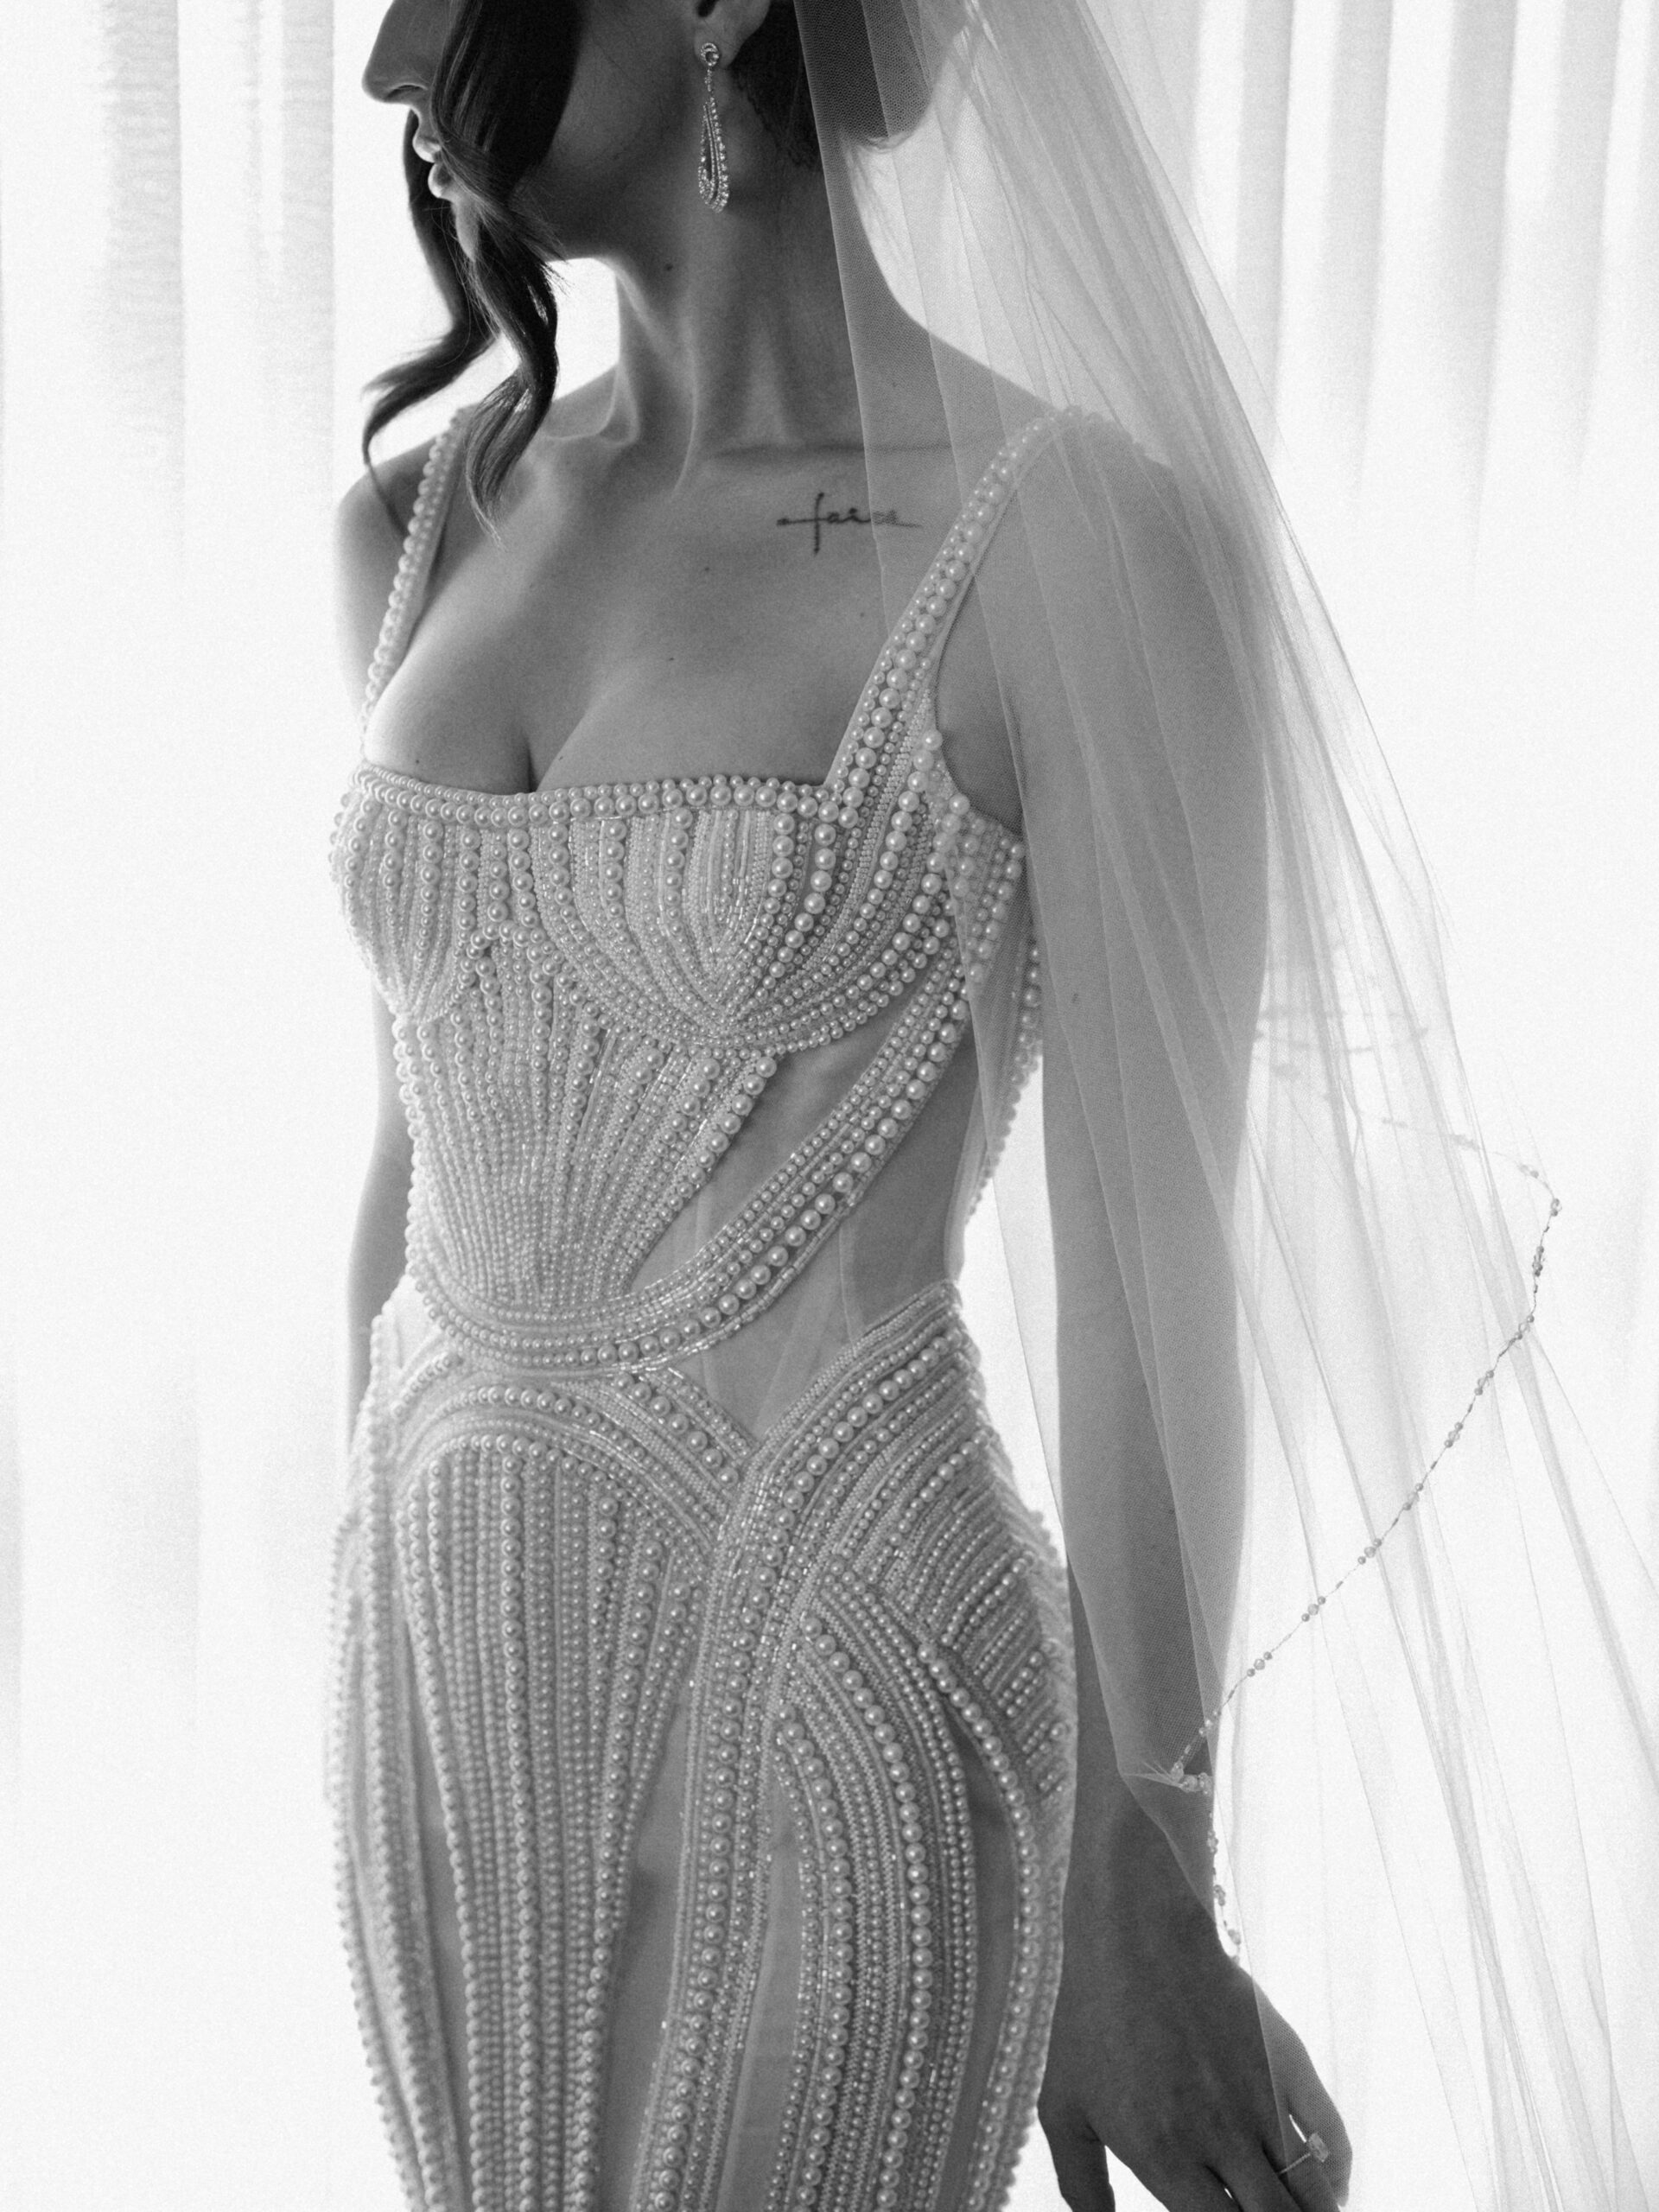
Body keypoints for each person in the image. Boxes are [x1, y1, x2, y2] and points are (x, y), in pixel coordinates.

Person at [330, 4, 1657, 2210]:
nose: (394, 61)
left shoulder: (1070, 546)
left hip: (832, 1693)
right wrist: (371, 1609)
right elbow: (414, 1162)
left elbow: (1150, 1271)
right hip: (455, 1729)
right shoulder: (419, 518)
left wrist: (1147, 1870)